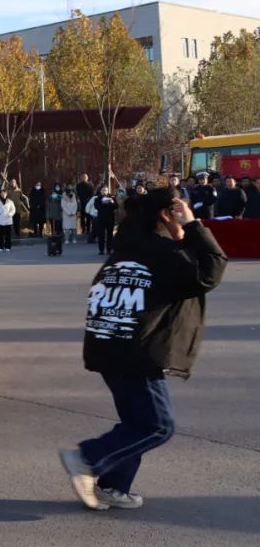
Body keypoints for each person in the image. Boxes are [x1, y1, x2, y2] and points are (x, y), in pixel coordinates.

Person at [59, 189, 227, 511]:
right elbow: (211, 270)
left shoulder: (126, 250)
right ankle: (87, 457)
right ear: (168, 214)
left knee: (136, 423)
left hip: (107, 347)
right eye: (181, 210)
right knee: (157, 425)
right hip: (134, 353)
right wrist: (193, 226)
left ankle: (113, 486)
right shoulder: (163, 254)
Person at [90, 185, 117, 256]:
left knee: (110, 235)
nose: (104, 191)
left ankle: (109, 250)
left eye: (106, 190)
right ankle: (101, 250)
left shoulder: (112, 197)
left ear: (108, 191)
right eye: (103, 190)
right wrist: (102, 202)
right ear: (100, 191)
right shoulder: (97, 198)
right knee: (101, 235)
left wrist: (112, 202)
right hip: (101, 219)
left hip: (110, 218)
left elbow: (116, 206)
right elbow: (96, 207)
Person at [0, 187, 16, 252]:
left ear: (6, 194)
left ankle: (8, 247)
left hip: (8, 221)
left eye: (4, 193)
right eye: (2, 193)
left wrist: (10, 214)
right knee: (0, 235)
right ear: (0, 194)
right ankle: (1, 247)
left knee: (8, 235)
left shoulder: (10, 201)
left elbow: (13, 209)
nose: (3, 194)